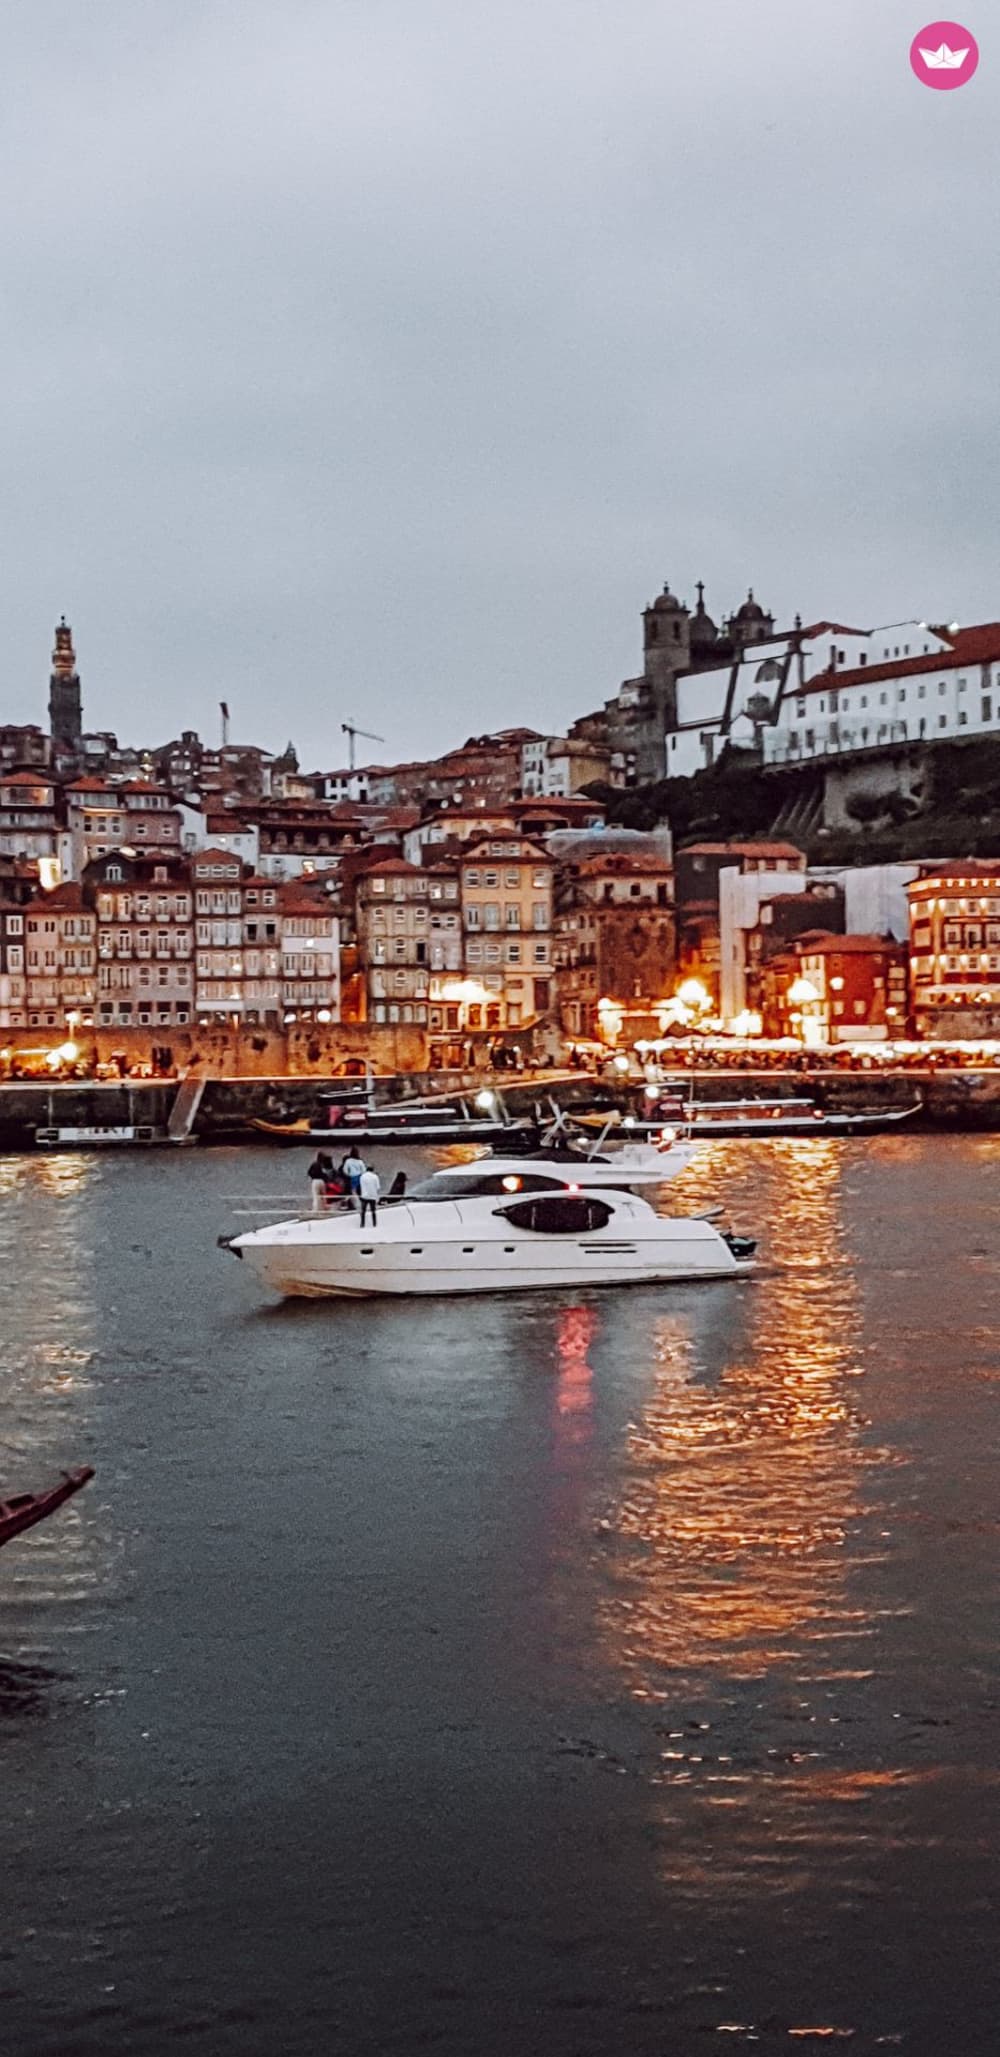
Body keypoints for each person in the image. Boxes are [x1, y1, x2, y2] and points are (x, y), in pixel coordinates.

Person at [358, 1164, 381, 1229]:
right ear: (372, 1170)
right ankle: (374, 1224)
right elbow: (378, 1187)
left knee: (363, 1211)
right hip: (372, 1196)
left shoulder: (362, 1176)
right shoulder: (375, 1177)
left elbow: (361, 1186)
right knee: (373, 1211)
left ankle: (362, 1224)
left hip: (364, 1196)